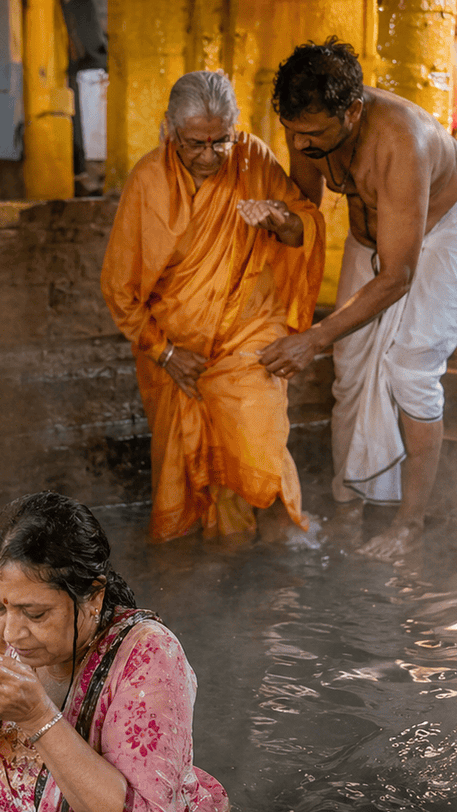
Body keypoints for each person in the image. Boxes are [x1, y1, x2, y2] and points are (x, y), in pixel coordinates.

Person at [260, 39, 457, 559]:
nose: (301, 143)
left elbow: (399, 276)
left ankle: (410, 522)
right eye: (294, 132)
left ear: (353, 112)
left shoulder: (400, 141)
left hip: (448, 228)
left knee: (412, 363)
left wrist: (313, 338)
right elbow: (308, 211)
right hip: (374, 237)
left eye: (315, 134)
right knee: (351, 363)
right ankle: (349, 504)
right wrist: (281, 222)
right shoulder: (305, 125)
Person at [0, 492, 242, 812]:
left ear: (94, 596)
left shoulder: (147, 654)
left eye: (35, 614)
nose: (11, 631)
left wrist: (37, 716)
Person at [100, 70, 326, 543]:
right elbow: (119, 288)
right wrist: (164, 353)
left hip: (249, 327)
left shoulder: (252, 158)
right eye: (194, 144)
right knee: (182, 461)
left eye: (219, 141)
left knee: (255, 427)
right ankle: (223, 549)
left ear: (235, 128)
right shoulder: (147, 180)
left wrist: (278, 219)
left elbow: (305, 224)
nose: (208, 156)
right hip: (173, 344)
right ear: (169, 131)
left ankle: (283, 538)